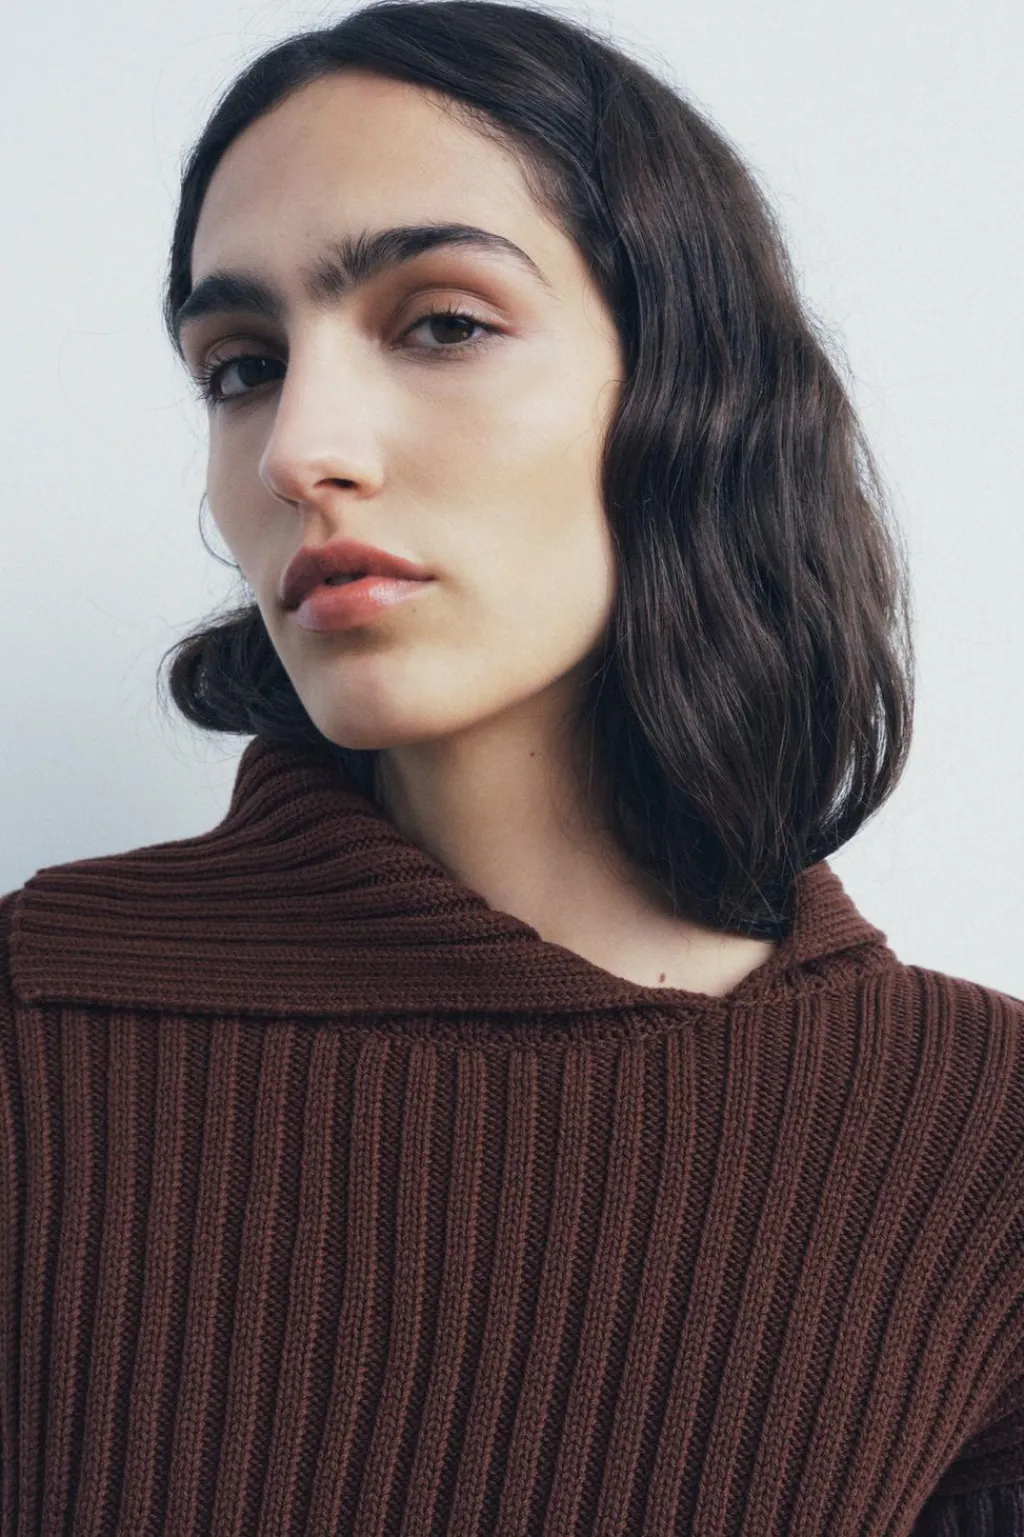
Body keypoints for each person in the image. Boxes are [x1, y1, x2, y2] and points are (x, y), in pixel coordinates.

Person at [2, 3, 1021, 1533]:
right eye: (242, 364)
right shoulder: (38, 1025)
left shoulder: (977, 1138)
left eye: (442, 324)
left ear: (686, 391)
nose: (298, 449)